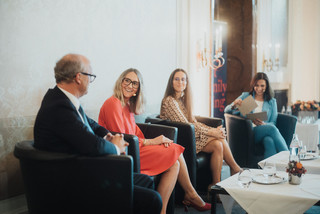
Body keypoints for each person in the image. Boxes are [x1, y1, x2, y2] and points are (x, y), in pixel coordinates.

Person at [33, 54, 162, 214]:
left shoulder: (63, 100)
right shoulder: (59, 107)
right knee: (154, 199)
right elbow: (91, 144)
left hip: (82, 169)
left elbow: (92, 125)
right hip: (72, 181)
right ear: (79, 77)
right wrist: (115, 146)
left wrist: (109, 135)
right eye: (90, 76)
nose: (91, 81)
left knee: (146, 181)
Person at [98, 68, 211, 213]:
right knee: (174, 149)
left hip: (135, 148)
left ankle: (161, 210)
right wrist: (152, 142)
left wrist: (154, 142)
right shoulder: (112, 103)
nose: (130, 85)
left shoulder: (126, 105)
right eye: (127, 80)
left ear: (137, 90)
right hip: (125, 154)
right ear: (121, 82)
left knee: (174, 163)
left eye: (135, 83)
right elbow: (123, 139)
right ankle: (191, 194)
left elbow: (135, 133)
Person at [160, 68, 241, 189]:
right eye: (176, 79)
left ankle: (215, 184)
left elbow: (193, 122)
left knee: (218, 144)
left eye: (183, 79)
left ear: (187, 83)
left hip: (190, 136)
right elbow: (187, 126)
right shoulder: (170, 101)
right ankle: (235, 169)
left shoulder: (181, 101)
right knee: (218, 139)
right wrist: (212, 132)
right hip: (180, 140)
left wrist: (214, 131)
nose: (180, 82)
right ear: (171, 82)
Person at [224, 72, 288, 158]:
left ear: (267, 86)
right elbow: (226, 110)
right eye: (256, 85)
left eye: (262, 86)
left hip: (264, 130)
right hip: (248, 131)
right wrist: (234, 105)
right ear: (253, 85)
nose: (259, 88)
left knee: (269, 140)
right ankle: (289, 157)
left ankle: (268, 168)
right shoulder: (246, 96)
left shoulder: (272, 102)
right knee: (272, 129)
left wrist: (264, 124)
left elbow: (273, 123)